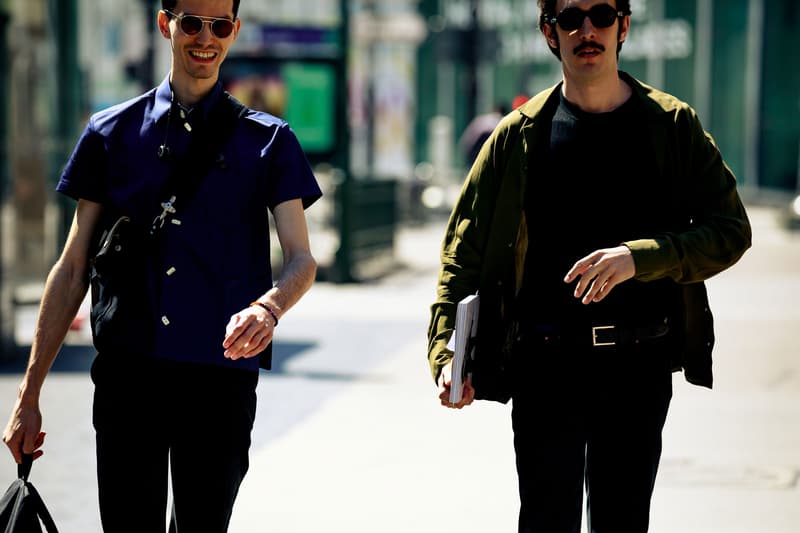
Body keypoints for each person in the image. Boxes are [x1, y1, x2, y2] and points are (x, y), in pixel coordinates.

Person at [427, 1, 752, 532]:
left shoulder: (671, 124)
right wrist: (447, 352)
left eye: (601, 14)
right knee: (545, 521)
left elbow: (731, 230)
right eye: (570, 17)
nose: (587, 30)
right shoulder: (517, 136)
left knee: (622, 521)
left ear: (623, 26)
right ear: (549, 32)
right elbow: (462, 253)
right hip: (545, 366)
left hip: (638, 364)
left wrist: (639, 257)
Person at [2, 1, 322, 531]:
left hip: (220, 381)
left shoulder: (270, 141)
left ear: (234, 31)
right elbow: (73, 263)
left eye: (220, 26)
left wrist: (269, 309)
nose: (205, 38)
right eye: (192, 22)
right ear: (165, 24)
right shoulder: (110, 133)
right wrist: (29, 392)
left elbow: (301, 259)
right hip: (130, 376)